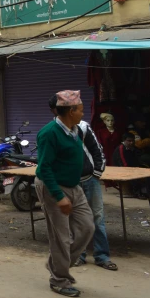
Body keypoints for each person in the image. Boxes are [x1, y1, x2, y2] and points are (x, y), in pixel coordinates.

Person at [34, 90, 95, 297]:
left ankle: (55, 264)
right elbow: (44, 169)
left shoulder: (75, 129)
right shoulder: (49, 133)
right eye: (80, 110)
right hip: (54, 187)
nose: (82, 113)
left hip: (74, 186)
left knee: (87, 227)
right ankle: (59, 279)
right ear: (70, 111)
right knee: (61, 237)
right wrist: (59, 197)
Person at [48, 96, 117, 271]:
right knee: (74, 221)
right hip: (70, 184)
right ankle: (79, 256)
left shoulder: (83, 127)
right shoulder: (53, 132)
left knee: (97, 218)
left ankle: (102, 256)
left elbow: (97, 151)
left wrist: (96, 174)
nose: (82, 113)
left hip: (89, 181)